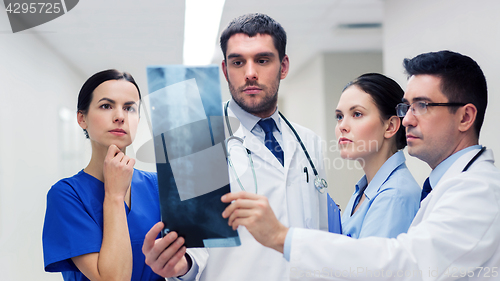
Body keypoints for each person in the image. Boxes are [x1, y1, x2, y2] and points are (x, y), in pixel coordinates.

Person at [223, 50, 500, 280]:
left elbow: (403, 264)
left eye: (423, 106)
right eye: (407, 108)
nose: (408, 120)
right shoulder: (443, 186)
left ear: (465, 117)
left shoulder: (477, 191)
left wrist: (283, 237)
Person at [142, 13, 331, 280]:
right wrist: (178, 263)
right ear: (225, 70)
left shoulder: (308, 142)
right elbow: (194, 246)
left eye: (262, 60)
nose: (250, 73)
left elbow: (318, 234)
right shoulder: (197, 139)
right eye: (238, 62)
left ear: (284, 66)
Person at [42, 69, 166, 280]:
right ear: (82, 118)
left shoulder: (159, 186)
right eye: (106, 106)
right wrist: (115, 196)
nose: (120, 116)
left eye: (129, 108)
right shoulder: (66, 195)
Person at [336, 73, 420, 239]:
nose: (342, 126)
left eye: (357, 114)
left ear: (390, 127)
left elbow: (364, 265)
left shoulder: (394, 195)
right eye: (339, 116)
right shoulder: (364, 190)